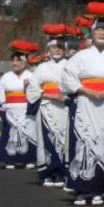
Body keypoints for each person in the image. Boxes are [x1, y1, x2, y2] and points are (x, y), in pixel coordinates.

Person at [62, 21, 104, 207]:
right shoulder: (81, 56)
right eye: (99, 29)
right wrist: (87, 91)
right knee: (84, 142)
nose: (102, 33)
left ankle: (98, 189)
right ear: (92, 31)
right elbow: (67, 77)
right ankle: (81, 189)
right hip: (85, 101)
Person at [30, 35, 74, 186]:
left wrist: (65, 95)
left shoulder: (70, 65)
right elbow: (32, 89)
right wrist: (50, 95)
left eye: (60, 47)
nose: (57, 50)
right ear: (48, 49)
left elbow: (75, 85)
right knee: (47, 139)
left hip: (65, 108)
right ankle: (48, 173)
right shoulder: (41, 67)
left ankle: (62, 173)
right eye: (54, 47)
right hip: (47, 106)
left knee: (64, 140)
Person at [0, 43, 37, 169]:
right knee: (10, 134)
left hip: (26, 109)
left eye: (18, 61)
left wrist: (30, 84)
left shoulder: (31, 75)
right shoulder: (6, 77)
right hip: (10, 109)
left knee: (27, 134)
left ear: (24, 62)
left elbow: (36, 93)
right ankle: (9, 160)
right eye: (14, 61)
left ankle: (29, 159)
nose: (15, 63)